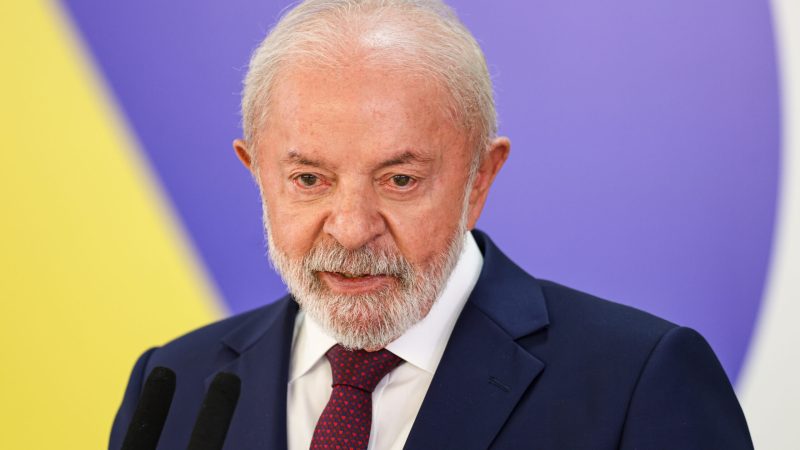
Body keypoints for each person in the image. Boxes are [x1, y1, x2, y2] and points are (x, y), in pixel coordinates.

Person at [110, 0, 753, 448]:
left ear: (480, 179)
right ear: (256, 171)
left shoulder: (638, 382)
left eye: (399, 180)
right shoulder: (174, 383)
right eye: (309, 179)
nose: (352, 229)